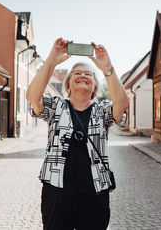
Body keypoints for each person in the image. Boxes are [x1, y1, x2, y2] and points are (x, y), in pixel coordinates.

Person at [26, 38, 129, 230]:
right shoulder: (56, 106)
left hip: (95, 192)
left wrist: (107, 67)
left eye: (88, 74)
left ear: (94, 84)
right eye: (77, 73)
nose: (82, 75)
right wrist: (51, 60)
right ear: (69, 82)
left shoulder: (103, 110)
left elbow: (122, 105)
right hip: (56, 190)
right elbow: (32, 97)